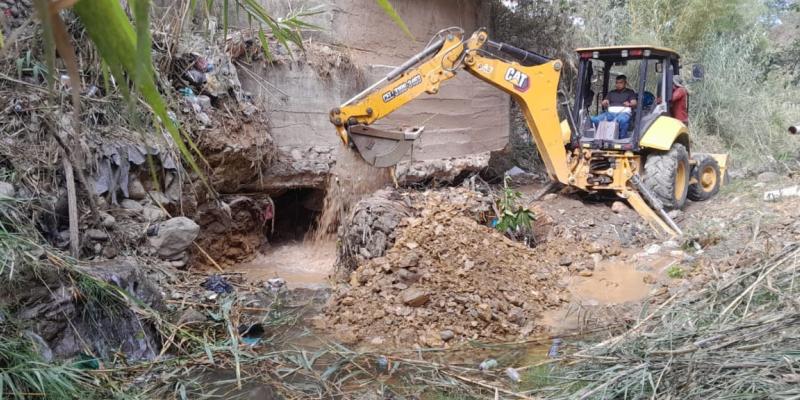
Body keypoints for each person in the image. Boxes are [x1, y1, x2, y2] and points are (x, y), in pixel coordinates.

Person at [591, 75, 638, 139]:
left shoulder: (630, 92)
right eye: (617, 83)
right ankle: (598, 137)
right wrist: (605, 102)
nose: (618, 84)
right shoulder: (611, 92)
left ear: (625, 83)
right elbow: (604, 101)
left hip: (623, 113)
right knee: (594, 119)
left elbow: (634, 103)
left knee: (622, 120)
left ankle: (621, 139)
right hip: (610, 114)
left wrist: (629, 104)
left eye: (620, 83)